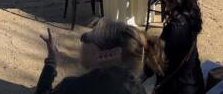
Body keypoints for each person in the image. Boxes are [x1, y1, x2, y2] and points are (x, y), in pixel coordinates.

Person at [35, 18, 164, 94]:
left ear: (108, 54)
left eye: (87, 38)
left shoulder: (73, 88)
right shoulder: (138, 90)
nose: (82, 40)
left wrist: (51, 63)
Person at [146, 0, 205, 94]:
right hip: (195, 83)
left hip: (177, 88)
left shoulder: (175, 28)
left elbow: (160, 64)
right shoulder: (191, 17)